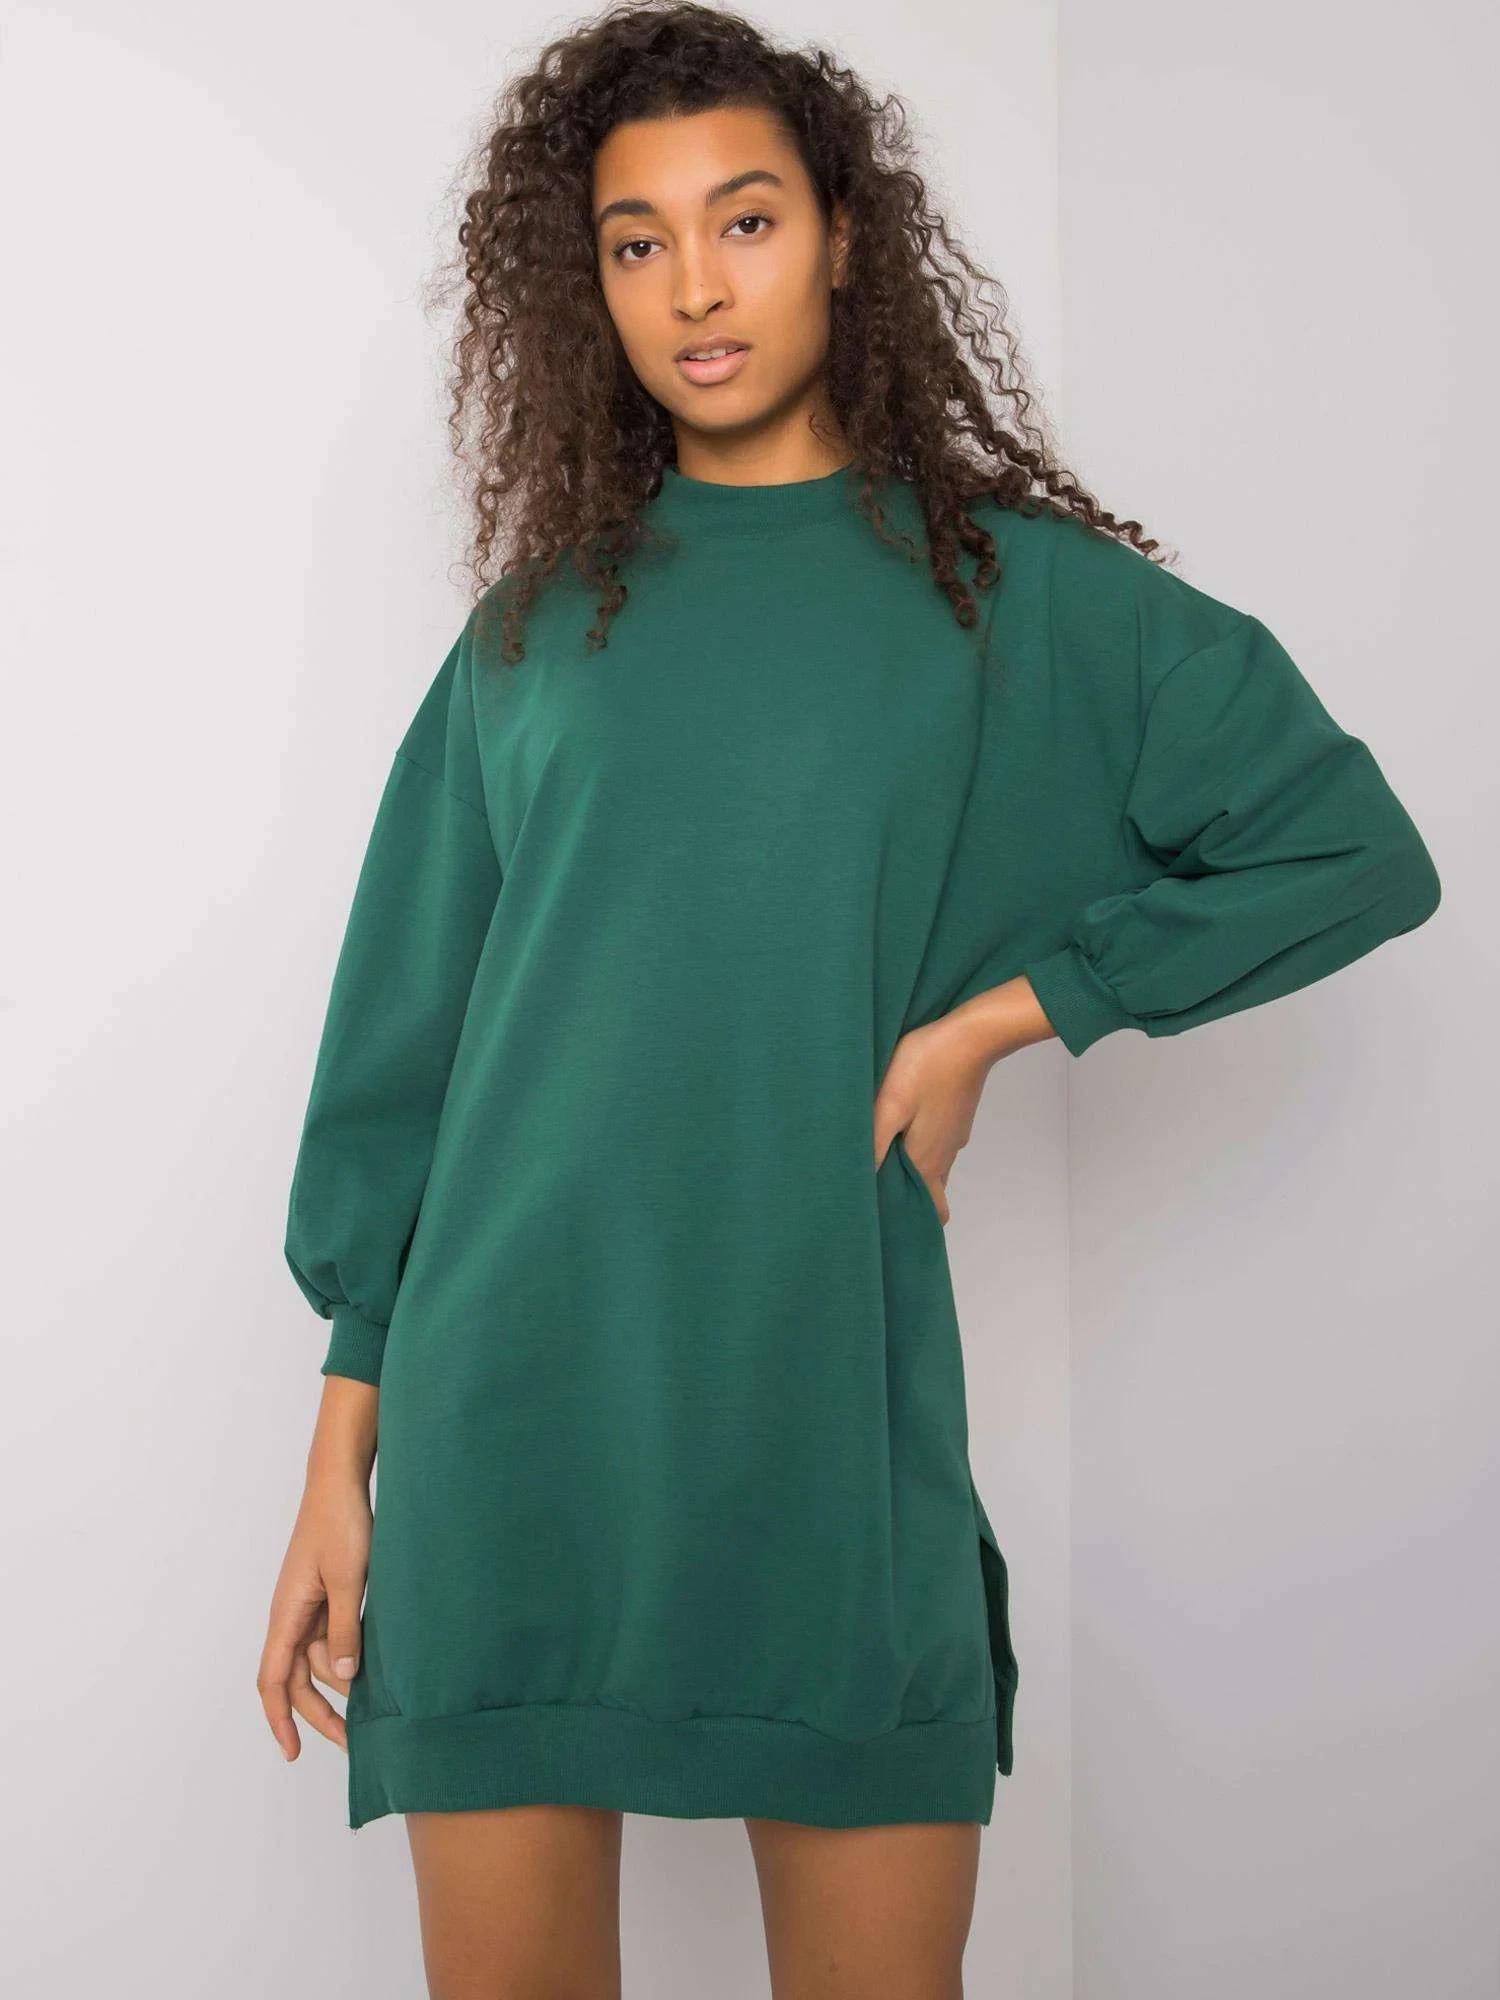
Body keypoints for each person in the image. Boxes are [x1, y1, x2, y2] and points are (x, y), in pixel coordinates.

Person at [257, 4, 1442, 1993]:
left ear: (843, 238)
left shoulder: (1009, 600)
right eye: (637, 241)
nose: (695, 287)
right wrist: (336, 1467)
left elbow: (1347, 849)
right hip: (511, 1436)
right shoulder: (531, 636)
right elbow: (407, 1060)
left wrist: (1007, 1012)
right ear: (588, 285)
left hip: (826, 1434)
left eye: (745, 220)